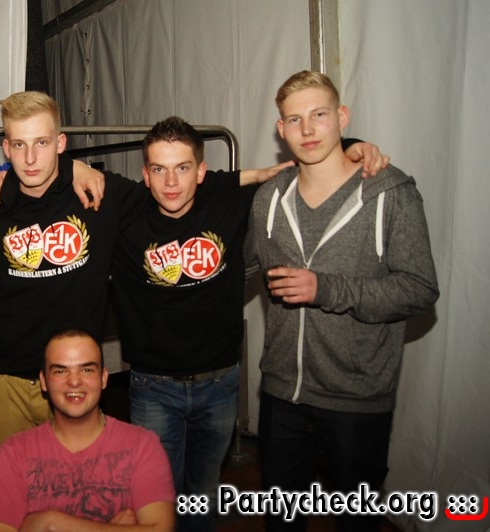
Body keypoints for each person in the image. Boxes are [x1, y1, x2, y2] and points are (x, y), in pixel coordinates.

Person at [111, 116, 387, 532]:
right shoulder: (124, 214)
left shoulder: (232, 204)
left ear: (202, 172)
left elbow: (307, 165)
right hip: (154, 387)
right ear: (144, 175)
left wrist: (354, 145)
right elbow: (55, 175)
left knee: (203, 493)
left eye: (183, 167)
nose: (171, 182)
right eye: (159, 169)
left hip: (220, 383)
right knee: (156, 497)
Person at [245, 70, 439, 531]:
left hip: (356, 397)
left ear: (342, 117)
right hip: (282, 392)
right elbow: (241, 269)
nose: (308, 129)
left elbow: (419, 288)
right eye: (295, 120)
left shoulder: (390, 193)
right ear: (281, 129)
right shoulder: (268, 198)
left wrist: (326, 288)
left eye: (319, 115)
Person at [0, 91, 149, 456]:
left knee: (81, 485)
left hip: (72, 376)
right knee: (15, 489)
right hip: (4, 383)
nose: (30, 158)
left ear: (61, 144)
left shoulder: (97, 196)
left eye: (42, 143)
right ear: (7, 148)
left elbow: (172, 191)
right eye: (20, 144)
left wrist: (250, 179)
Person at [0, 328, 175, 531]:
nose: (74, 381)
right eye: (60, 371)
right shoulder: (13, 454)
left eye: (86, 370)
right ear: (44, 381)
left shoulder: (142, 446)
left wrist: (51, 523)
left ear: (103, 378)